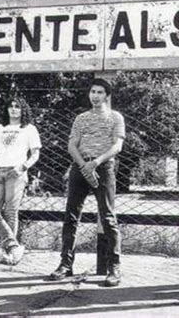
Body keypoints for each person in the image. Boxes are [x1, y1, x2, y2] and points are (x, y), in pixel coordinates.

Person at [49, 78, 125, 287]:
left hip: (104, 168)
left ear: (107, 95)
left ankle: (113, 268)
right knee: (71, 215)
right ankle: (65, 264)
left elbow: (117, 145)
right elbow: (72, 144)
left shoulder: (115, 117)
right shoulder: (81, 118)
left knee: (108, 216)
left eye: (100, 92)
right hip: (80, 167)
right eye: (93, 92)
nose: (95, 96)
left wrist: (97, 162)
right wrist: (84, 165)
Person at [0, 96, 41, 265]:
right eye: (11, 106)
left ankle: (8, 252)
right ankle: (14, 246)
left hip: (17, 172)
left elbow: (35, 154)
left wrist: (23, 167)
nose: (14, 109)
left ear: (23, 109)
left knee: (11, 211)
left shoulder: (29, 129)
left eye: (17, 106)